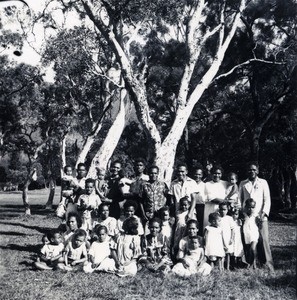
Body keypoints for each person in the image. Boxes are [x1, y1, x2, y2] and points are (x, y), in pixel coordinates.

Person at [239, 163, 274, 272]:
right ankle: (249, 262)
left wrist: (263, 214)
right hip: (247, 217)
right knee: (248, 239)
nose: (251, 172)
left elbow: (267, 200)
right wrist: (242, 213)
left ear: (257, 171)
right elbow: (239, 200)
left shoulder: (263, 182)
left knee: (263, 240)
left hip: (260, 216)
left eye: (254, 170)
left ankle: (268, 264)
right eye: (249, 170)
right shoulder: (243, 183)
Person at [203, 166, 228, 230]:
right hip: (210, 210)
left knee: (221, 229)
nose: (217, 175)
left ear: (221, 174)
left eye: (219, 173)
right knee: (209, 229)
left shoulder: (225, 183)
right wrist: (225, 201)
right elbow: (211, 198)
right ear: (211, 174)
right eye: (215, 173)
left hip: (222, 210)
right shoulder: (207, 184)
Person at [242, 198, 260, 269]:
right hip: (246, 233)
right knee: (248, 249)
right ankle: (250, 263)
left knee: (253, 248)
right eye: (249, 207)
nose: (250, 209)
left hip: (254, 233)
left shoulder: (256, 215)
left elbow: (259, 224)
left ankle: (254, 262)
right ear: (246, 207)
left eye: (252, 207)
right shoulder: (243, 215)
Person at [218, 202, 234, 270]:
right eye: (221, 209)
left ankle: (227, 267)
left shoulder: (229, 218)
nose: (222, 211)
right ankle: (221, 267)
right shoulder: (218, 218)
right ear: (219, 210)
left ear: (227, 210)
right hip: (220, 238)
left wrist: (231, 238)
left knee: (228, 253)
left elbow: (232, 229)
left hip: (227, 237)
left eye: (224, 209)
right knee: (221, 253)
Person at [192, 166, 206, 236]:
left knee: (200, 224)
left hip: (201, 207)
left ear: (202, 175)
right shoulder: (190, 183)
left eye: (199, 174)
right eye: (196, 174)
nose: (197, 176)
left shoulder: (204, 185)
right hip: (191, 207)